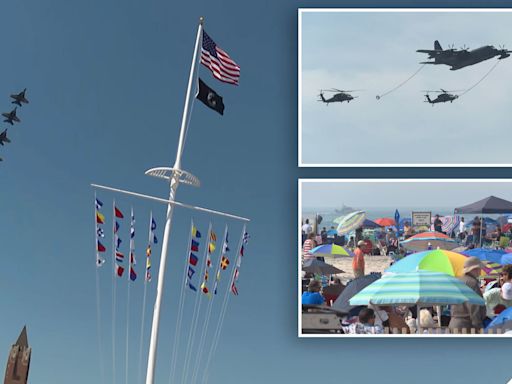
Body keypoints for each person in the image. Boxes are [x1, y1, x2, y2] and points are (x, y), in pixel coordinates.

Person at [449, 256, 487, 332]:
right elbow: (474, 307)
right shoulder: (472, 283)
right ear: (475, 269)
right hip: (466, 325)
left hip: (454, 322)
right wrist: (478, 326)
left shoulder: (458, 281)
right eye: (479, 269)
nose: (480, 271)